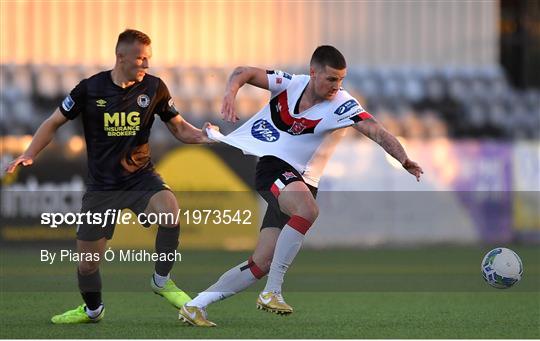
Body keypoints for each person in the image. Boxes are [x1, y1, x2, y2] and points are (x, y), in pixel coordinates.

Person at [178, 45, 423, 327]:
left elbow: (378, 131)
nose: (337, 86)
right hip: (275, 169)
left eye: (341, 79)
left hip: (303, 183)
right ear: (313, 73)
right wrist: (229, 95)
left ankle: (196, 305)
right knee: (307, 210)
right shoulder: (289, 84)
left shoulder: (343, 105)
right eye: (331, 79)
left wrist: (403, 158)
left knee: (261, 263)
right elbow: (242, 72)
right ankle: (273, 291)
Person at [6, 29, 217, 324]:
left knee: (170, 211)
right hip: (102, 187)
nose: (146, 65)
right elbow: (53, 122)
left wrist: (205, 136)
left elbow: (180, 128)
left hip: (141, 178)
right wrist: (30, 153)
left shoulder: (155, 88)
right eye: (140, 59)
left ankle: (161, 280)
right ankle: (93, 310)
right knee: (88, 266)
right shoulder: (89, 89)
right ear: (120, 57)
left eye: (149, 59)